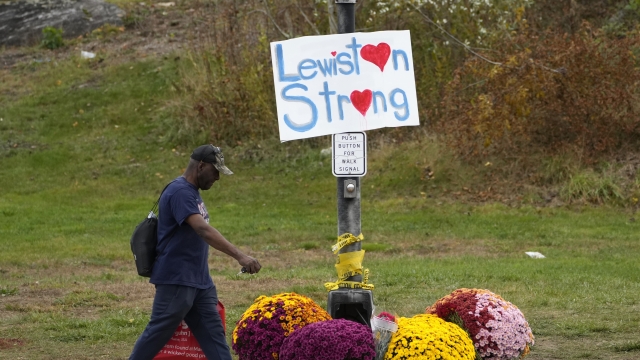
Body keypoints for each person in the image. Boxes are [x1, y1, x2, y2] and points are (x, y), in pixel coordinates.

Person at [129, 144, 261, 360]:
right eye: (215, 170)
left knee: (214, 336)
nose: (218, 177)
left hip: (199, 282)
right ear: (201, 166)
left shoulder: (191, 192)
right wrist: (240, 256)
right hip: (176, 280)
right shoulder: (179, 191)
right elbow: (202, 228)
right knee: (157, 333)